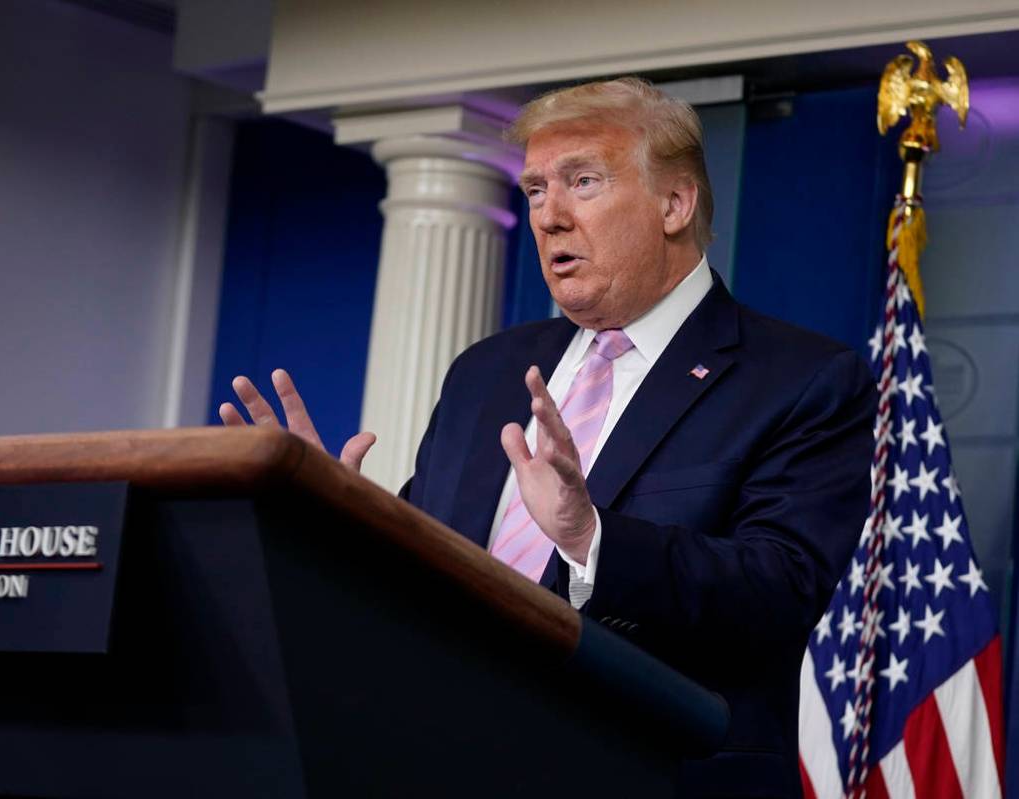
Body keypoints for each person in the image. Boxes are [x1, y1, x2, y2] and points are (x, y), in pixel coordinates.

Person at [220, 78, 874, 798]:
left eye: (582, 181)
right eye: (534, 191)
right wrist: (335, 518)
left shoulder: (800, 379)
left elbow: (775, 593)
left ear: (674, 203)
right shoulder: (486, 370)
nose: (549, 217)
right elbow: (423, 577)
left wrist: (592, 539)